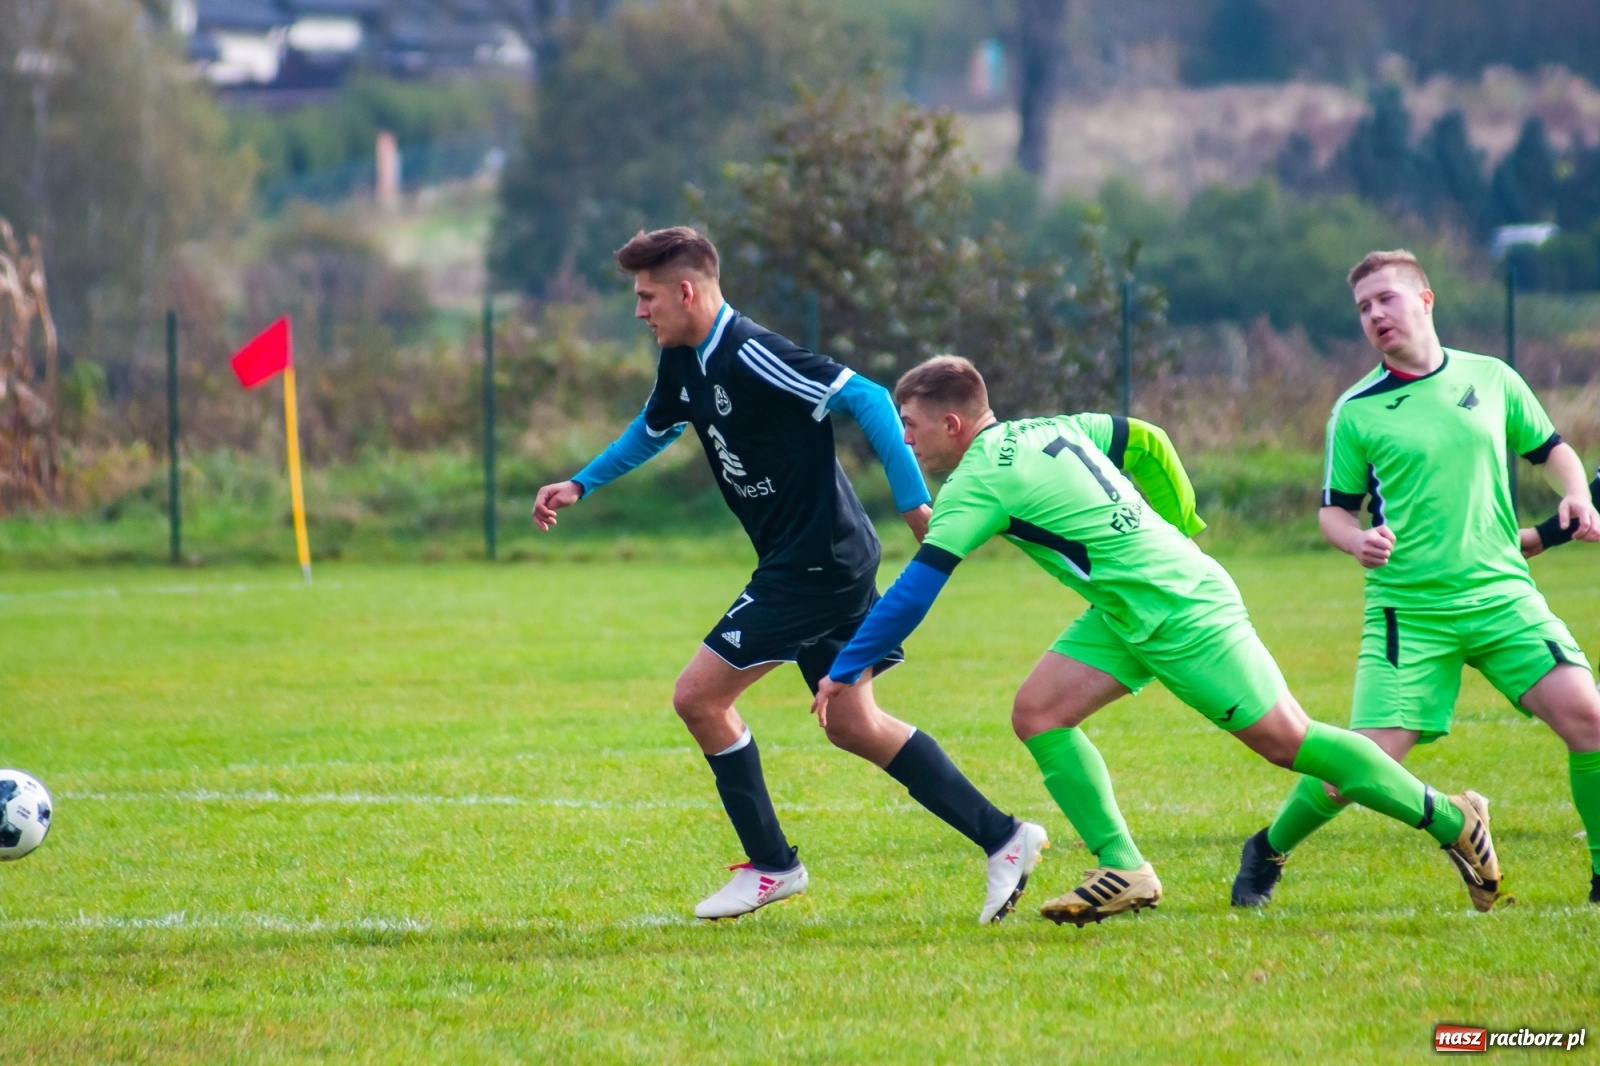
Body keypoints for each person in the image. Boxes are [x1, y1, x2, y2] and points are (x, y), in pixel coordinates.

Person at [811, 354, 1504, 926]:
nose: (904, 441)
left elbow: (913, 591)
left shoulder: (977, 480)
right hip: (1126, 610)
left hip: (1178, 610)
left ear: (952, 422)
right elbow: (1147, 439)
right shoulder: (1055, 427)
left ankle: (1452, 820)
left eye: (909, 427)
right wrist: (1181, 527)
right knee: (1038, 714)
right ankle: (1124, 869)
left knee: (1288, 741)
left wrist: (846, 670)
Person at [533, 228, 1046, 923]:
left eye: (646, 297)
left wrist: (914, 503)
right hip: (811, 557)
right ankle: (1004, 836)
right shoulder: (683, 361)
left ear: (687, 292)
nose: (638, 312)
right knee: (852, 722)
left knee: (699, 699)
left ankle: (774, 866)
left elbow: (865, 396)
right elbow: (655, 429)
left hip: (815, 564)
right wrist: (582, 483)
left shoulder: (754, 355)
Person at [1232, 249, 1600, 908]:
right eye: (1364, 308)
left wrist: (1575, 494)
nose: (1375, 315)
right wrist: (1357, 540)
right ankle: (1267, 847)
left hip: (1503, 596)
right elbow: (1333, 512)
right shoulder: (1357, 410)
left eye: (1386, 300)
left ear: (1425, 300)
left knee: (1589, 721)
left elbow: (1553, 453)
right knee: (1364, 766)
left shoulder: (1493, 378)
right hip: (1411, 613)